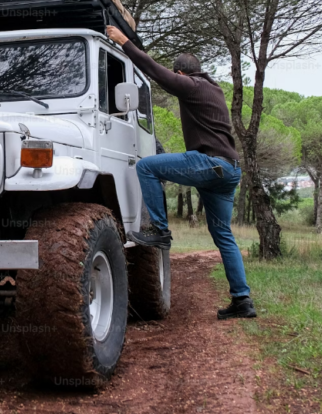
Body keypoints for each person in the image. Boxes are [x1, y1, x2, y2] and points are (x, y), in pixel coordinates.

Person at [106, 25, 256, 320]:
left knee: (147, 166)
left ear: (182, 74)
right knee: (223, 234)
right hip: (229, 170)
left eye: (177, 76)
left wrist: (124, 43)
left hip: (210, 164)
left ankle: (160, 232)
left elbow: (156, 71)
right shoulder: (212, 88)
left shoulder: (191, 85)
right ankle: (242, 300)